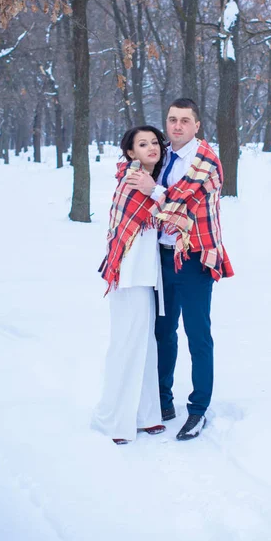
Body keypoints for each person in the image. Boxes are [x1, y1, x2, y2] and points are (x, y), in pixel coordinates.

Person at [127, 98, 234, 441]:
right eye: (172, 119)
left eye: (185, 121)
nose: (176, 127)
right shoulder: (163, 157)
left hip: (194, 256)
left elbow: (181, 203)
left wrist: (152, 190)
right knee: (163, 331)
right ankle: (163, 399)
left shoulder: (206, 160)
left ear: (197, 125)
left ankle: (198, 409)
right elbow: (131, 170)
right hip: (160, 255)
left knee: (198, 335)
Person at [92, 126, 168, 445]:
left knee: (145, 345)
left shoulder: (149, 179)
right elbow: (172, 213)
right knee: (128, 345)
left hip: (144, 275)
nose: (151, 147)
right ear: (130, 152)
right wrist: (157, 192)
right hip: (129, 276)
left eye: (154, 142)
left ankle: (145, 415)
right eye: (142, 144)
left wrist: (158, 190)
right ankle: (115, 420)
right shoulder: (135, 179)